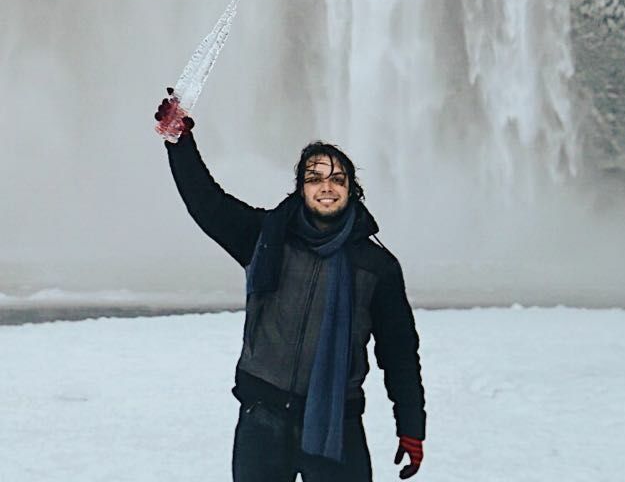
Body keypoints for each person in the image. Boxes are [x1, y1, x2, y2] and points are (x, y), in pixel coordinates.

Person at [155, 92, 426, 481]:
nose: (326, 187)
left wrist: (411, 425)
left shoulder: (377, 266)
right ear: (301, 187)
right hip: (262, 418)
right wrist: (180, 143)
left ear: (352, 189)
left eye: (337, 178)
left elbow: (399, 352)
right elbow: (206, 203)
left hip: (338, 421)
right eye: (314, 178)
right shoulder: (267, 238)